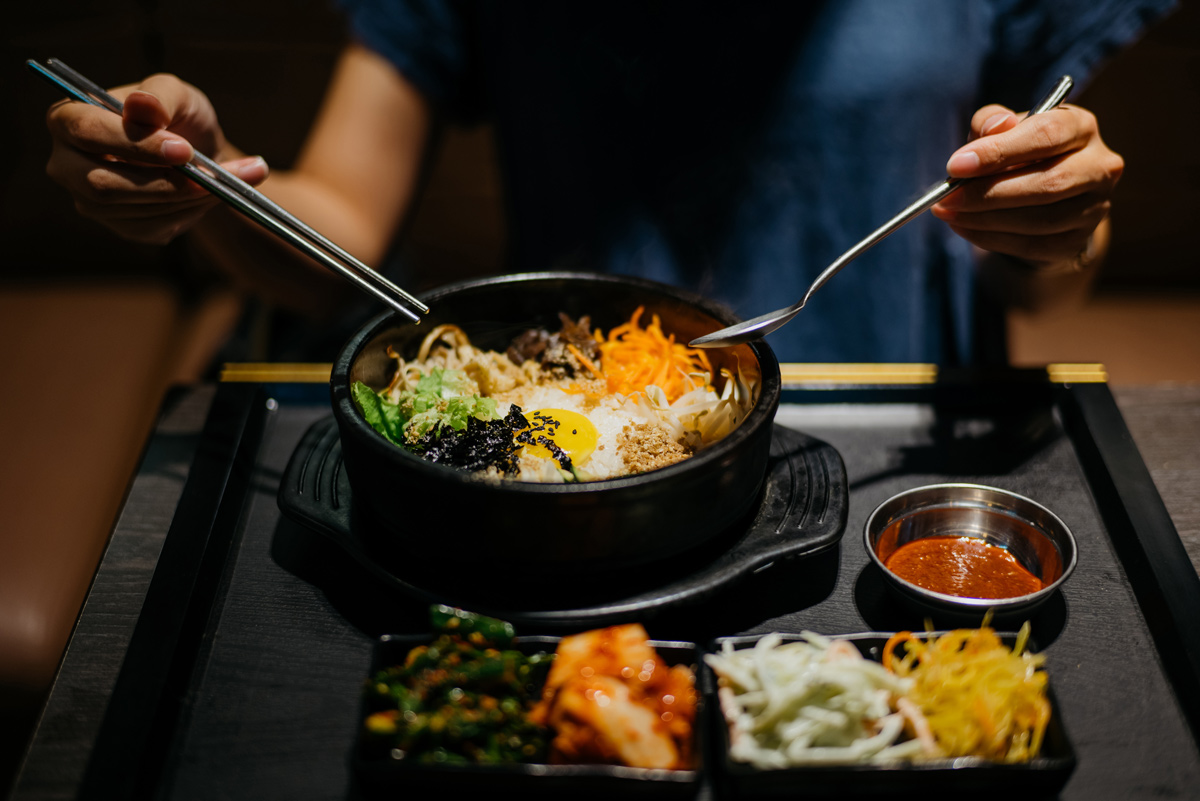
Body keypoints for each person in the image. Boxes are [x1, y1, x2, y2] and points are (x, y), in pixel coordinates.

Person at [43, 0, 1175, 364]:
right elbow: (338, 216)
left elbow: (1047, 287)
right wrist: (207, 183)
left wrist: (1061, 227)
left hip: (908, 430)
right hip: (582, 451)